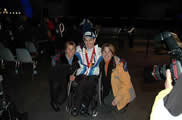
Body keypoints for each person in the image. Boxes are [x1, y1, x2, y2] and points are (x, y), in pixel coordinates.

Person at [70, 31, 102, 116]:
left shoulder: (100, 51)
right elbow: (67, 54)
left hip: (93, 75)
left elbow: (111, 55)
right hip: (81, 75)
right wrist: (71, 74)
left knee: (90, 81)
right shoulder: (79, 50)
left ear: (94, 40)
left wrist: (120, 61)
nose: (88, 42)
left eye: (90, 40)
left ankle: (79, 106)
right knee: (84, 79)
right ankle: (81, 106)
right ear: (83, 41)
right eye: (86, 40)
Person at [99, 43, 136, 111]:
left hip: (122, 91)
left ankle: (125, 103)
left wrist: (117, 98)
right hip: (112, 88)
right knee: (104, 100)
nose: (106, 54)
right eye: (104, 51)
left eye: (109, 52)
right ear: (101, 53)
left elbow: (126, 84)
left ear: (112, 54)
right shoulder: (102, 63)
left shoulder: (119, 65)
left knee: (107, 102)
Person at [49, 41, 79, 112]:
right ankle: (53, 101)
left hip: (66, 79)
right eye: (69, 49)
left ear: (75, 50)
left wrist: (74, 75)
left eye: (72, 49)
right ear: (65, 50)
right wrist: (68, 76)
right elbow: (56, 73)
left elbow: (77, 69)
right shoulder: (59, 59)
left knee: (62, 99)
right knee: (55, 85)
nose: (70, 51)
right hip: (57, 78)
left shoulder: (76, 59)